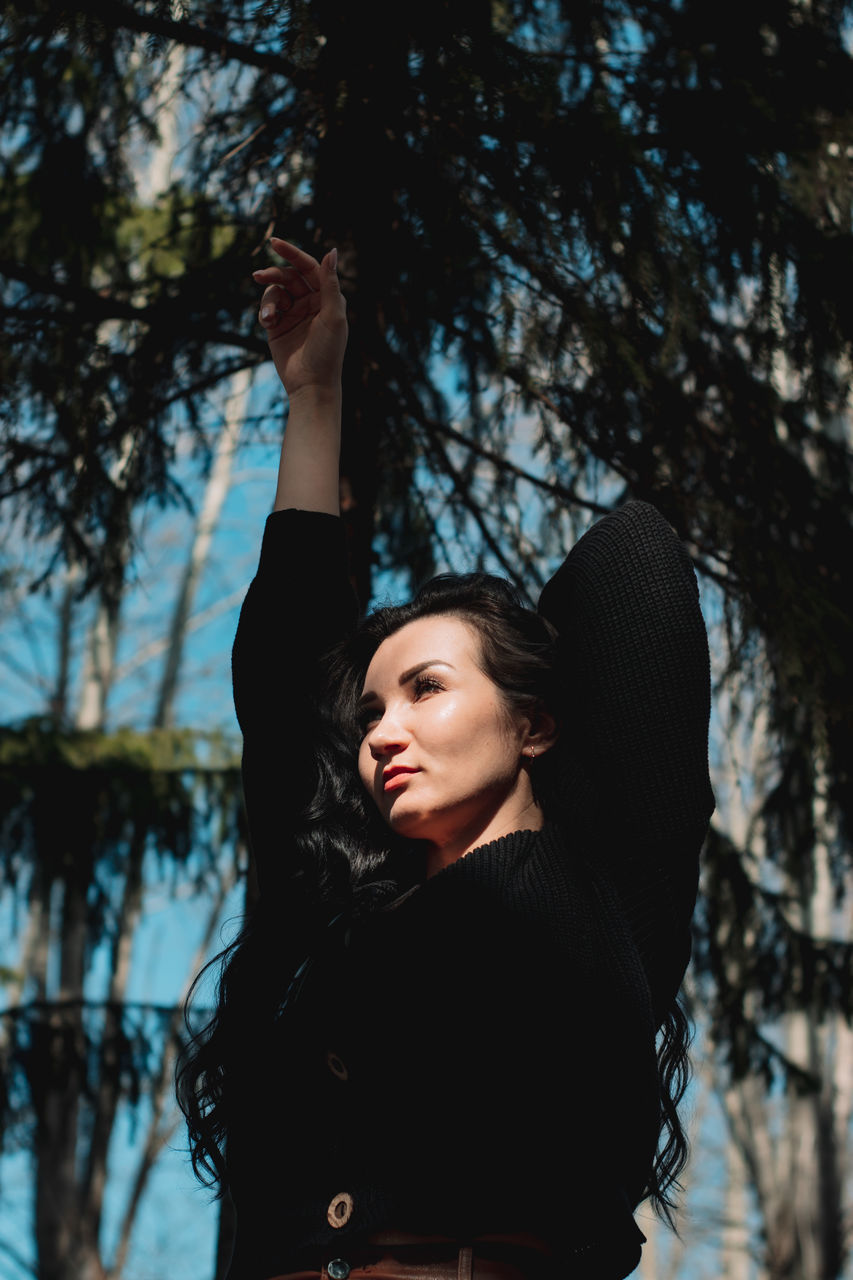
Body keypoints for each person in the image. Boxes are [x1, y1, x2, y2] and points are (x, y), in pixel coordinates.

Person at [178, 240, 715, 1280]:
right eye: (370, 706)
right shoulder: (335, 909)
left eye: (425, 688)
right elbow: (290, 665)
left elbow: (634, 570)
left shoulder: (600, 889)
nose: (381, 728)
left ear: (537, 723)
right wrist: (315, 389)